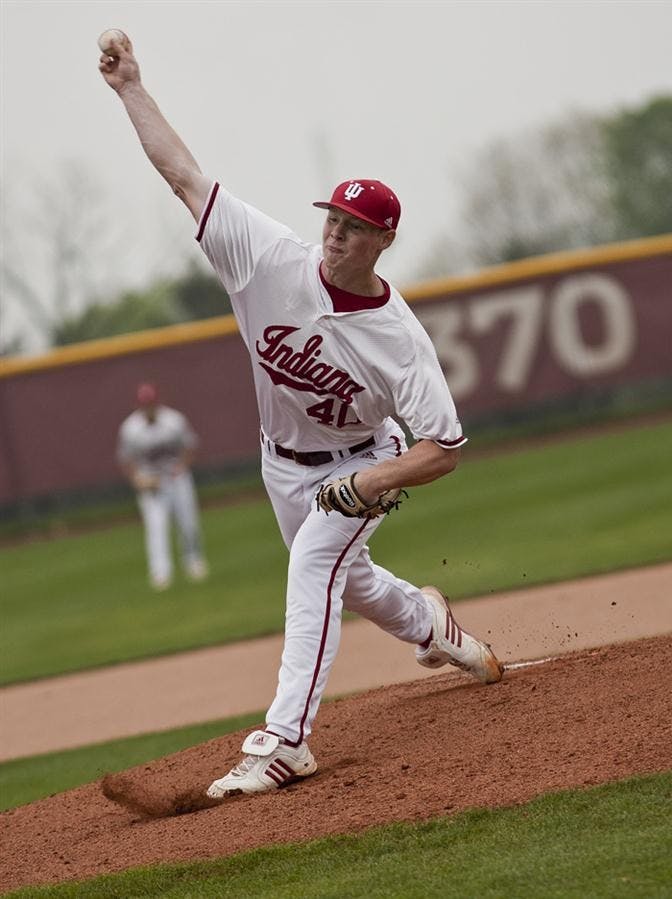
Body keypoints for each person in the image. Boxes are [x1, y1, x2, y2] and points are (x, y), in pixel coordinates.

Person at [100, 33, 502, 797]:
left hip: (358, 460)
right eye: (332, 218)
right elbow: (182, 175)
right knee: (348, 581)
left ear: (383, 240)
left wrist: (374, 480)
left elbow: (445, 447)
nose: (335, 232)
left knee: (315, 563)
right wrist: (131, 90)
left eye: (353, 227)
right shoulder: (268, 257)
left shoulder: (399, 341)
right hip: (280, 460)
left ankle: (284, 741)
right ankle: (429, 620)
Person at [117, 382, 209, 590]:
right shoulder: (131, 428)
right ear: (138, 405)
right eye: (144, 404)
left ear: (157, 402)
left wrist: (181, 466)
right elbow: (126, 460)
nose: (148, 408)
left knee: (188, 522)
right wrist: (138, 480)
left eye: (150, 403)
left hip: (177, 478)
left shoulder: (173, 420)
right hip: (152, 484)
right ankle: (160, 572)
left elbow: (190, 446)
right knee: (156, 527)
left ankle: (193, 561)